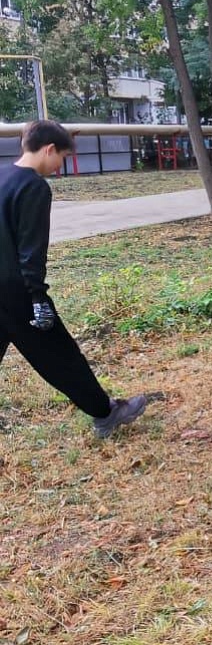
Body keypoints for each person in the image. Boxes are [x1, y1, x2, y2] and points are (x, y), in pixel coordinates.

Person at [0, 120, 149, 437]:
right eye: (62, 158)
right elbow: (31, 250)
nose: (59, 166)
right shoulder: (33, 186)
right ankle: (106, 413)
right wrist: (38, 299)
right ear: (49, 149)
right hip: (18, 293)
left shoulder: (1, 175)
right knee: (61, 356)